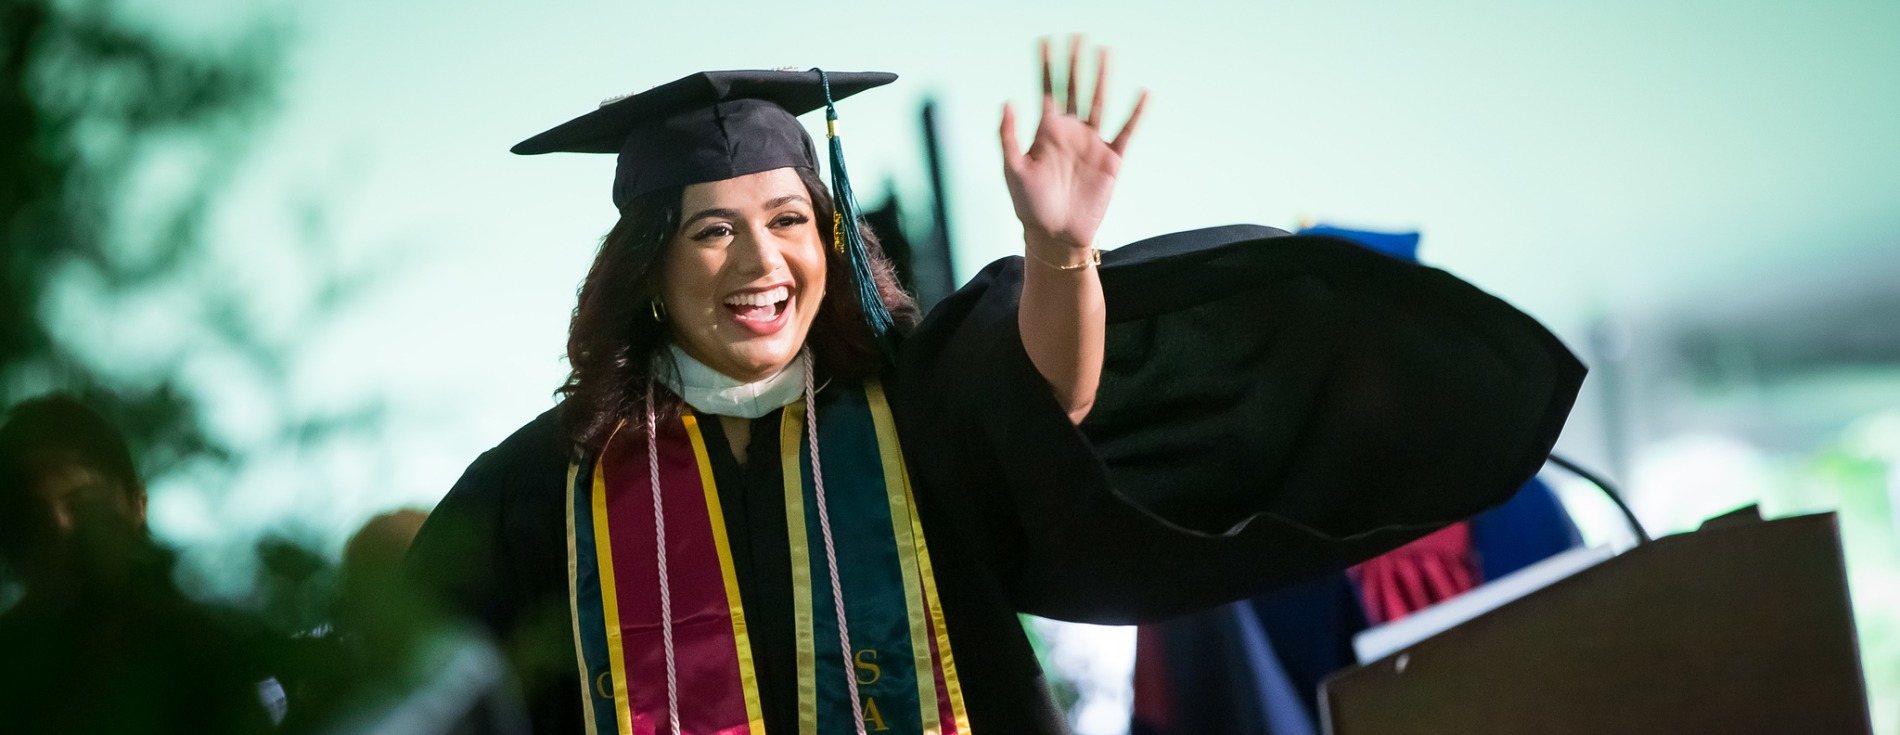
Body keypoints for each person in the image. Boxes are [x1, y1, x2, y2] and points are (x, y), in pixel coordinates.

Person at [407, 39, 1585, 735]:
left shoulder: (912, 407)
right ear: (649, 271)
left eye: (788, 221)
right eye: (712, 233)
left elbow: (1044, 399)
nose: (763, 265)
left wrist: (1063, 254)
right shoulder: (536, 491)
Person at [0, 394, 274, 734]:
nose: (62, 527)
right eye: (35, 514)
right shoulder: (10, 672)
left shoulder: (196, 649)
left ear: (136, 507)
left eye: (82, 504)